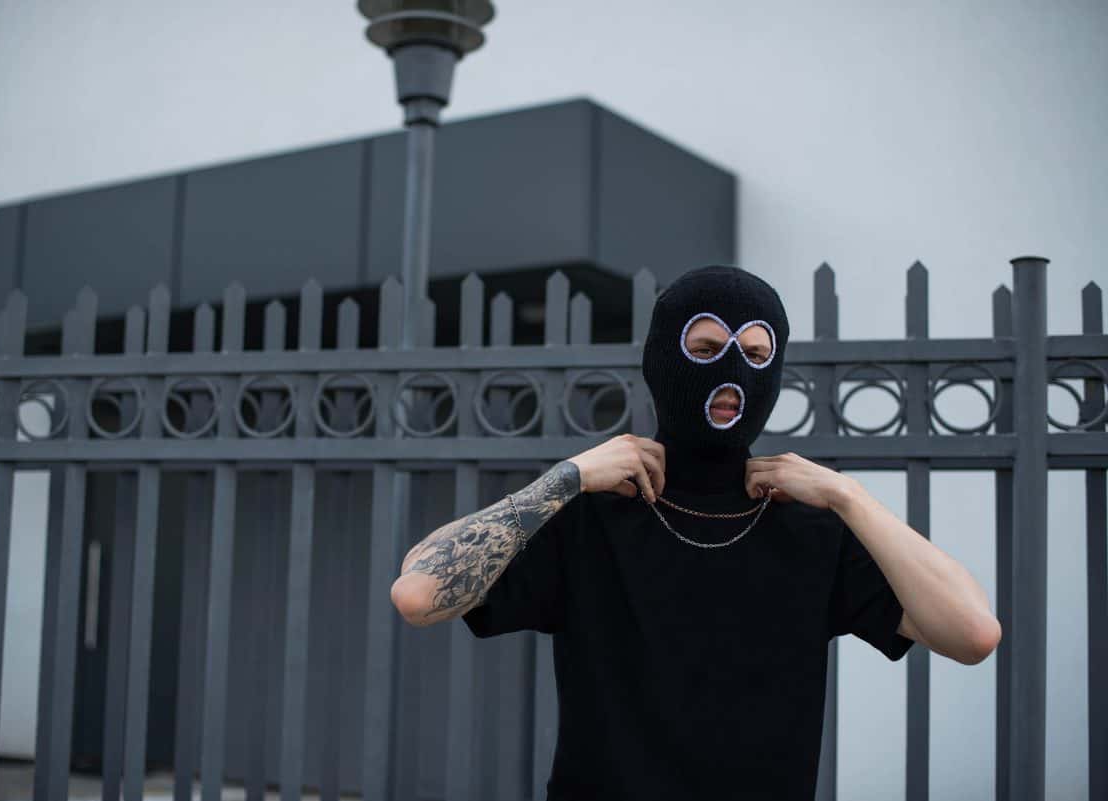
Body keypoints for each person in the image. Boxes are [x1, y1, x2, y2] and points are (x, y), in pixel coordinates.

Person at [389, 264, 1001, 800]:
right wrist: (565, 479)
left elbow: (973, 634)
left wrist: (849, 496)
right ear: (662, 360)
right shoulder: (590, 515)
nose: (734, 370)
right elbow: (418, 595)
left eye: (757, 355)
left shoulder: (810, 528)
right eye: (706, 347)